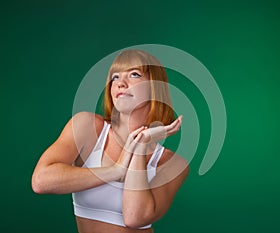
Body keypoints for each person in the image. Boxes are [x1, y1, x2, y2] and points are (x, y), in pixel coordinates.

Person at [32, 49, 189, 233]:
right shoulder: (87, 127)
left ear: (156, 87)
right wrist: (116, 171)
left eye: (134, 74)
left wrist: (139, 146)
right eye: (115, 77)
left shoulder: (173, 163)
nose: (121, 83)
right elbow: (41, 181)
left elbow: (134, 218)